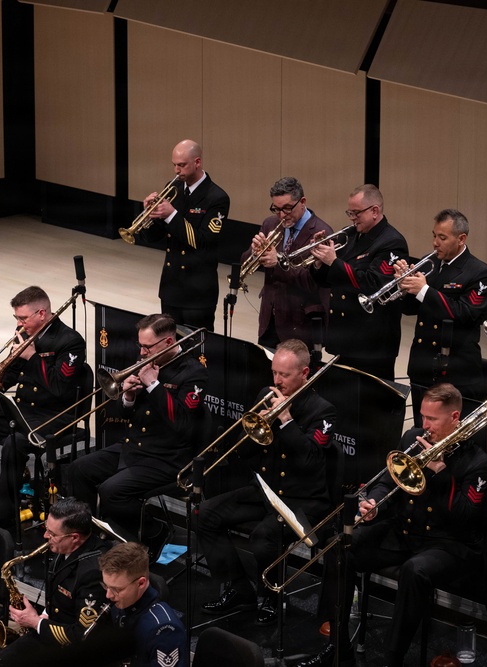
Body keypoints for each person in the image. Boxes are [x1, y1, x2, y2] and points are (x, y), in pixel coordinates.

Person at [305, 384, 487, 667]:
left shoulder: (478, 462)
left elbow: (466, 518)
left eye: (432, 419)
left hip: (448, 543)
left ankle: (393, 658)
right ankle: (338, 646)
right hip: (405, 532)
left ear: (455, 417)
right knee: (341, 547)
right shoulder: (413, 437)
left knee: (414, 571)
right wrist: (375, 504)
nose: (424, 426)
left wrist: (441, 474)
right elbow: (387, 482)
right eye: (422, 416)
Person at [198, 339, 336, 625]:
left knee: (263, 538)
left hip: (303, 501)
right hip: (267, 492)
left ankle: (272, 596)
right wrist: (253, 432)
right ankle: (238, 589)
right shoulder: (266, 394)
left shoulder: (323, 411)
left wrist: (285, 422)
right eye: (274, 372)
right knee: (206, 514)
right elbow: (239, 453)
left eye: (284, 375)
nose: (276, 380)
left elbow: (310, 461)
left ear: (305, 373)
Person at [67, 314, 208, 555]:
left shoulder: (194, 373)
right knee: (78, 469)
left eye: (147, 346)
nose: (142, 352)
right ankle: (89, 534)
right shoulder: (148, 360)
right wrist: (128, 397)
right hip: (134, 447)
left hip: (167, 456)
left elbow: (183, 423)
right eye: (140, 345)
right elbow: (125, 414)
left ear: (168, 342)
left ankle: (153, 532)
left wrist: (154, 386)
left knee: (112, 491)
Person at [0, 285, 86, 525]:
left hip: (54, 414)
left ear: (42, 314)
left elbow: (59, 386)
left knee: (12, 444)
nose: (19, 323)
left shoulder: (71, 342)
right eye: (17, 317)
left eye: (23, 317)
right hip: (22, 409)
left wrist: (33, 358)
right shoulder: (25, 333)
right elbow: (12, 370)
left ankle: (2, 514)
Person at [394, 210, 487, 422]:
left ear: (461, 239)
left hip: (455, 369)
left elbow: (465, 313)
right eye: (434, 235)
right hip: (422, 364)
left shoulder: (480, 273)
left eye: (442, 237)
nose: (435, 243)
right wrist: (404, 286)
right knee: (423, 428)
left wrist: (424, 290)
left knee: (450, 436)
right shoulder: (429, 263)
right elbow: (411, 309)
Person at [0, 498, 108, 667]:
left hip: (75, 649)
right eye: (46, 529)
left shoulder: (93, 572)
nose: (45, 536)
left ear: (74, 537)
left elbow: (81, 635)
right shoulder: (63, 547)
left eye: (52, 534)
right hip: (51, 627)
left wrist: (36, 622)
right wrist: (44, 614)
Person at [309, 184, 409, 380]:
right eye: (350, 212)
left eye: (356, 213)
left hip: (372, 345)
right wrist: (320, 262)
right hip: (345, 336)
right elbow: (327, 281)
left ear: (374, 211)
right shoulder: (351, 235)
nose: (352, 218)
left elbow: (374, 285)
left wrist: (334, 262)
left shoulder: (392, 242)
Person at [138, 139, 230, 331]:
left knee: (197, 349)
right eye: (174, 165)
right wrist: (149, 215)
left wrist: (171, 214)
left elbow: (203, 241)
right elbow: (154, 236)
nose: (176, 171)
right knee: (168, 343)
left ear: (197, 162)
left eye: (182, 165)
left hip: (197, 293)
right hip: (171, 288)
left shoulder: (217, 198)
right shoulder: (174, 189)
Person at [241, 176, 332, 349]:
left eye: (288, 208)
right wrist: (254, 253)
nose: (282, 215)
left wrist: (279, 262)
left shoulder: (322, 232)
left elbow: (313, 282)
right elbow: (244, 263)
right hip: (270, 320)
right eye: (276, 209)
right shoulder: (270, 223)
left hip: (300, 323)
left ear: (302, 201)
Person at [98, 541, 188, 667]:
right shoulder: (120, 604)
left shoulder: (164, 630)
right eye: (105, 586)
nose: (109, 595)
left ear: (141, 583)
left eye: (116, 589)